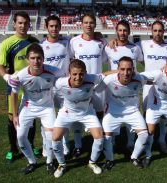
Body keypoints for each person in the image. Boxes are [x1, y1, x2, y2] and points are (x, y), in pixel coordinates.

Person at [0, 11, 39, 163]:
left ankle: (31, 145)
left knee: (31, 118)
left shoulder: (34, 41)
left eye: (25, 23)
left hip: (31, 88)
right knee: (11, 118)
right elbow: (0, 65)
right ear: (14, 24)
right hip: (14, 89)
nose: (22, 25)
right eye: (20, 23)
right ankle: (13, 149)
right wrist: (6, 77)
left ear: (29, 24)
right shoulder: (7, 43)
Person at [52, 59, 105, 178]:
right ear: (69, 73)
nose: (78, 77)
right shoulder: (61, 83)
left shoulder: (92, 79)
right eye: (74, 74)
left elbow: (105, 74)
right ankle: (61, 164)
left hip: (87, 112)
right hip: (67, 112)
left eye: (81, 74)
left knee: (99, 137)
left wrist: (119, 70)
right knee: (55, 138)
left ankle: (92, 162)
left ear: (85, 73)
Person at [11, 43, 57, 174]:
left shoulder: (53, 72)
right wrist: (15, 115)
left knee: (50, 136)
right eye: (32, 58)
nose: (36, 61)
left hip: (47, 107)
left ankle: (49, 161)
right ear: (27, 59)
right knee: (20, 136)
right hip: (28, 107)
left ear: (43, 58)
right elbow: (13, 94)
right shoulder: (20, 75)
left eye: (38, 58)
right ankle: (31, 162)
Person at [100, 56, 149, 170]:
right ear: (118, 69)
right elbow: (98, 85)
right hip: (112, 112)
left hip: (132, 111)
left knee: (144, 134)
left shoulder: (139, 79)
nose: (126, 73)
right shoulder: (109, 79)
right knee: (106, 137)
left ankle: (134, 157)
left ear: (133, 70)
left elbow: (153, 79)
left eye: (129, 69)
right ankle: (109, 160)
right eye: (122, 69)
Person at [69, 13, 107, 157]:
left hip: (97, 86)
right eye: (86, 22)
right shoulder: (74, 41)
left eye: (91, 22)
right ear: (81, 24)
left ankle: (98, 144)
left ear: (95, 25)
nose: (88, 25)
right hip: (79, 85)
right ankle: (78, 146)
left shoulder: (101, 42)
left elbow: (104, 60)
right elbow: (71, 60)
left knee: (98, 115)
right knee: (78, 115)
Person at [104, 19, 144, 152]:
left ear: (129, 32)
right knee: (113, 114)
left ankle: (131, 143)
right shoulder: (109, 48)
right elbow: (102, 65)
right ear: (116, 31)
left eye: (125, 30)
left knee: (132, 112)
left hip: (131, 87)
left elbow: (143, 63)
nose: (122, 33)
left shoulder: (135, 48)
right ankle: (112, 141)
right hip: (114, 87)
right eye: (120, 30)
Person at [138, 21, 167, 154]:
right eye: (155, 30)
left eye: (160, 31)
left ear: (163, 32)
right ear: (151, 31)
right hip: (148, 87)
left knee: (164, 117)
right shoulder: (143, 44)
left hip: (165, 87)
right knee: (147, 115)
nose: (158, 33)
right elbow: (126, 45)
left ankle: (162, 141)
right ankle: (145, 142)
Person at [40, 15, 72, 156]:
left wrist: (98, 34)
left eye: (56, 26)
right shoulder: (41, 46)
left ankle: (65, 145)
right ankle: (46, 147)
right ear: (46, 27)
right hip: (47, 88)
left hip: (64, 87)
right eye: (51, 26)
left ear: (60, 27)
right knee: (46, 118)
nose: (54, 29)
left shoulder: (67, 42)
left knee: (64, 116)